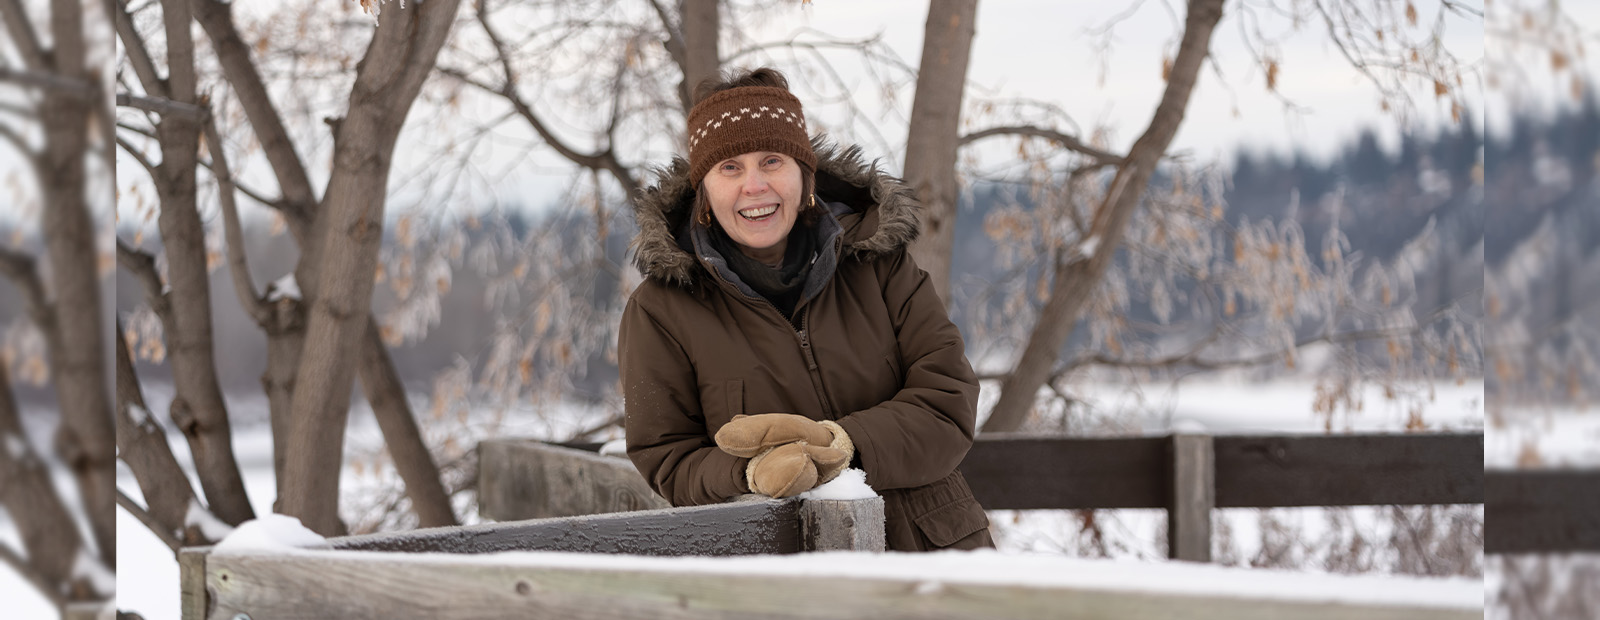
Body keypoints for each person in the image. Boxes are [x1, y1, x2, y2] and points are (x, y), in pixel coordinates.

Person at [620, 67, 992, 551]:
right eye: (729, 167)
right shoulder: (661, 310)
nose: (754, 186)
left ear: (804, 173)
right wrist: (751, 472)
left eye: (771, 160)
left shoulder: (878, 265)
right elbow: (667, 456)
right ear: (704, 191)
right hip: (783, 575)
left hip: (934, 558)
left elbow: (948, 401)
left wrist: (840, 443)